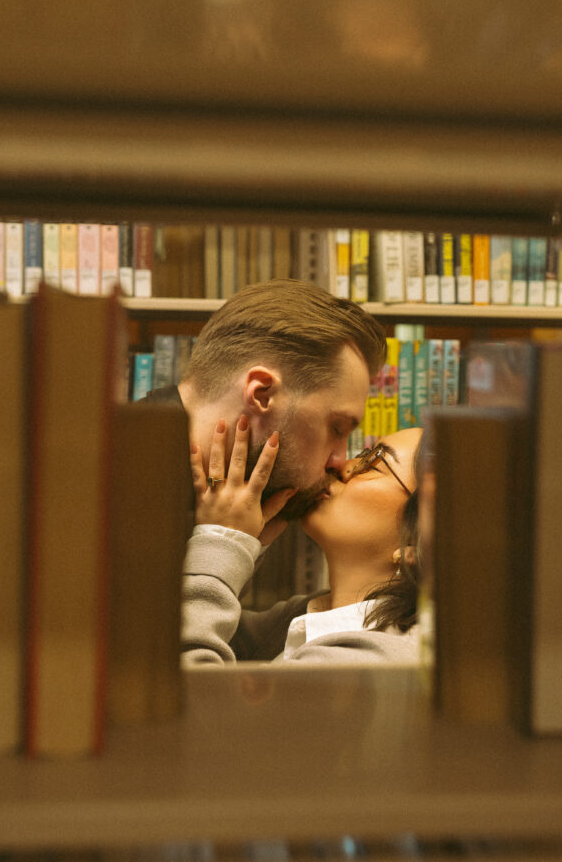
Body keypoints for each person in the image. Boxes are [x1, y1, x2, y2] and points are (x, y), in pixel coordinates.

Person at [145, 279, 387, 533]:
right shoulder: (114, 493)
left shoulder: (201, 500)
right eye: (336, 428)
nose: (340, 461)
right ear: (262, 394)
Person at [182, 421, 423, 665]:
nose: (342, 467)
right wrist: (243, 544)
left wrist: (222, 539)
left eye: (373, 462)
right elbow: (187, 635)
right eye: (363, 454)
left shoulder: (375, 657)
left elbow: (185, 687)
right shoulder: (309, 614)